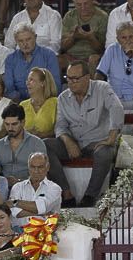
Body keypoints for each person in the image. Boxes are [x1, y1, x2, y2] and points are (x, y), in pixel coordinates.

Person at [45, 61, 122, 208]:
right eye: (68, 78)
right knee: (45, 145)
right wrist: (68, 141)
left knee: (105, 152)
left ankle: (90, 196)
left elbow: (116, 108)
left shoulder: (102, 88)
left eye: (76, 79)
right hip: (74, 142)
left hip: (98, 143)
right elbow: (60, 125)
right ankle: (66, 194)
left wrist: (112, 136)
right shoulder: (63, 98)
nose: (71, 83)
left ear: (87, 77)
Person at [0, 103, 46, 184]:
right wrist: (5, 180)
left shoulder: (36, 143)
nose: (10, 128)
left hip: (30, 186)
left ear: (23, 122)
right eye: (7, 124)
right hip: (4, 187)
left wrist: (20, 182)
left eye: (14, 124)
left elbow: (41, 174)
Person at [4, 25, 60, 102]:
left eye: (28, 39)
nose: (25, 44)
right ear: (16, 41)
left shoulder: (49, 56)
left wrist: (38, 100)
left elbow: (55, 86)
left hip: (45, 102)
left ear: (35, 37)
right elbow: (9, 88)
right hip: (19, 104)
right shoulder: (10, 59)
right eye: (21, 41)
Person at [8, 151, 61, 228]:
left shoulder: (54, 188)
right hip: (19, 233)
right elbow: (15, 213)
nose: (36, 171)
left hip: (45, 234)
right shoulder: (17, 187)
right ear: (28, 167)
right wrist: (41, 214)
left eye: (40, 167)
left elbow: (41, 207)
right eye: (33, 167)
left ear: (48, 167)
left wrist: (14, 202)